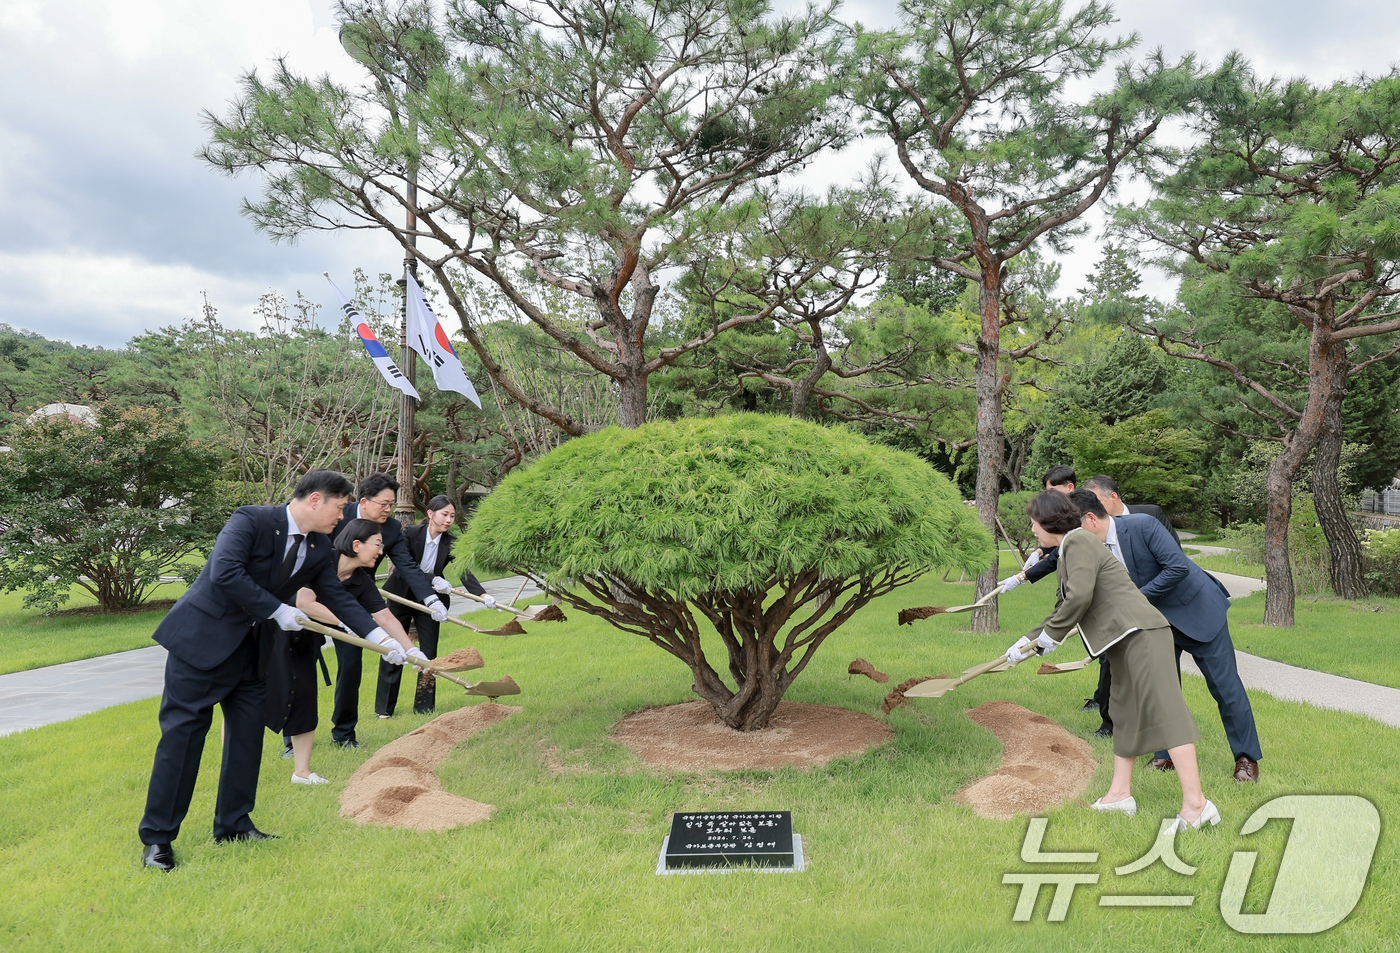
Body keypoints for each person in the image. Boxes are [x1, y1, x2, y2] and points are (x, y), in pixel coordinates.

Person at [138, 470, 408, 871]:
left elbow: (336, 595)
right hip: (201, 644)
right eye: (339, 505)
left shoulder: (318, 547)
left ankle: (233, 824)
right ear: (315, 500)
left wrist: (382, 640)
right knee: (182, 741)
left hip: (253, 652)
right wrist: (277, 609)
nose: (343, 514)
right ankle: (158, 839)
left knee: (247, 739)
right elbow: (225, 572)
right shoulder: (251, 520)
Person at [1005, 491, 1218, 830]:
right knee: (1123, 710)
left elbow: (1080, 597)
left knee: (1166, 711)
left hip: (1142, 634)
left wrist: (1048, 639)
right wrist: (1029, 642)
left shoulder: (1078, 542)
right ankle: (1119, 795)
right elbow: (1067, 606)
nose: (1031, 530)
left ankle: (1197, 805)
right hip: (1124, 640)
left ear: (1048, 522)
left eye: (1033, 523)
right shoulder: (1070, 548)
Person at [1070, 489, 1262, 782]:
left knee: (1225, 688)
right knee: (1161, 692)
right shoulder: (1092, 552)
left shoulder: (1142, 525)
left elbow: (1177, 567)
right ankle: (1164, 756)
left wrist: (1134, 601)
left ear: (1091, 519)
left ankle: (1246, 757)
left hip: (1197, 613)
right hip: (1155, 625)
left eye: (1073, 527)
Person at [267, 518, 428, 785]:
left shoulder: (361, 580)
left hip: (310, 637)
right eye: (377, 544)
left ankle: (305, 767)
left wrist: (411, 650)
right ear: (356, 544)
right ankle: (286, 743)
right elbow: (305, 603)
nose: (380, 551)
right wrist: (345, 622)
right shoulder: (322, 560)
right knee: (279, 692)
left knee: (305, 693)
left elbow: (385, 617)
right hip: (277, 630)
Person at [324, 473, 446, 750]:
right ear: (364, 501)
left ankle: (343, 734)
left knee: (351, 665)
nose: (388, 510)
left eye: (392, 505)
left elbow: (405, 565)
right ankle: (292, 736)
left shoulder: (390, 529)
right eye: (384, 504)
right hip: (316, 590)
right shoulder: (336, 518)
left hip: (358, 594)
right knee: (301, 665)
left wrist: (430, 599)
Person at [1080, 475, 1185, 731]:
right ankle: (1109, 722)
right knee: (1112, 659)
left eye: (1097, 500)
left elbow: (1174, 558)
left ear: (1113, 497)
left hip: (1156, 601)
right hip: (1118, 603)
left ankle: (1163, 726)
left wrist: (1143, 597)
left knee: (1160, 669)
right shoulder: (1092, 530)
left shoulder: (1149, 516)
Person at [376, 494, 495, 717]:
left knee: (430, 654)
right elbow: (404, 566)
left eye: (452, 516)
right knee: (393, 648)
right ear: (430, 514)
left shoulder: (451, 542)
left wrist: (483, 594)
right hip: (400, 595)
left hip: (431, 602)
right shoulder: (410, 534)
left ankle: (424, 708)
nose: (449, 520)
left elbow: (464, 571)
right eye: (444, 514)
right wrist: (432, 579)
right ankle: (384, 710)